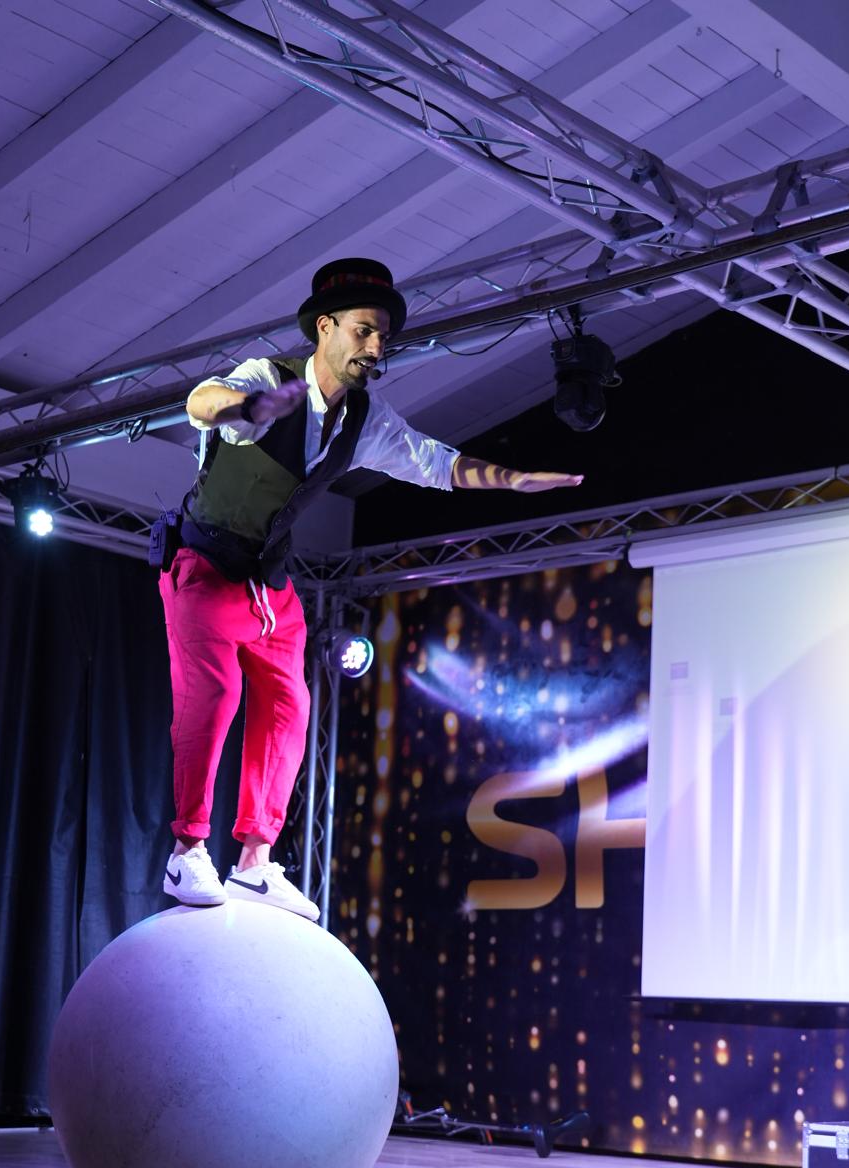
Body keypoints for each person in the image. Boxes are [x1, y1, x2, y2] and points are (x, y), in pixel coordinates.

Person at [157, 257, 582, 920]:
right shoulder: (269, 380)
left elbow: (435, 464)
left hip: (268, 584)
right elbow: (199, 403)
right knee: (215, 696)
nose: (376, 347)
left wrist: (514, 480)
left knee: (289, 706)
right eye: (363, 331)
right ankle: (187, 851)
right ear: (325, 327)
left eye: (383, 336)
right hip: (205, 568)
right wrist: (246, 406)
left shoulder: (364, 419)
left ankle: (254, 861)